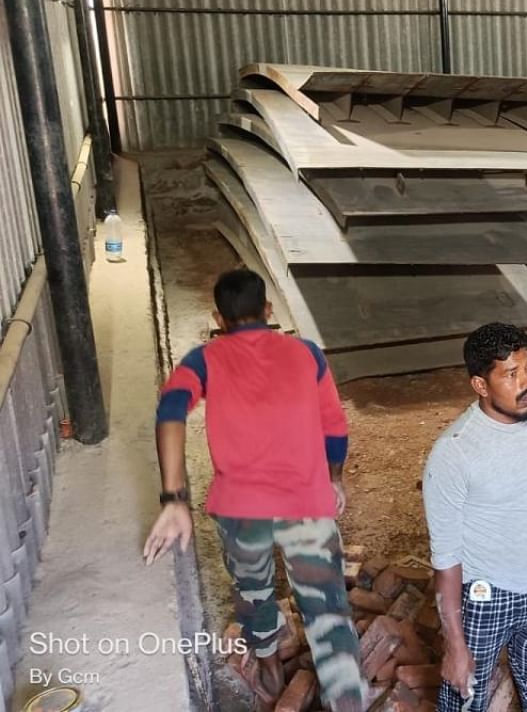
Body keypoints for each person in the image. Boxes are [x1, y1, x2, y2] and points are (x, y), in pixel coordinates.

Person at [142, 269, 366, 712]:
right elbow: (334, 428)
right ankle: (346, 701)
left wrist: (173, 499)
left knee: (254, 592)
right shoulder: (308, 355)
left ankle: (269, 670)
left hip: (241, 511)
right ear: (268, 311)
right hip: (306, 505)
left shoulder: (203, 359)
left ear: (218, 318)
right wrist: (334, 478)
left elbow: (169, 409)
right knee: (327, 613)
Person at [423, 322, 527, 712]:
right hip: (487, 594)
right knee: (465, 693)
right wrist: (454, 646)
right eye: (511, 374)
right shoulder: (454, 454)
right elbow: (446, 558)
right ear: (481, 386)